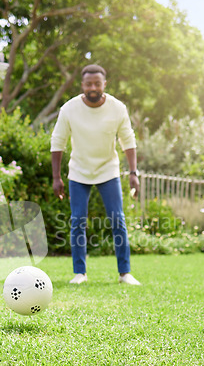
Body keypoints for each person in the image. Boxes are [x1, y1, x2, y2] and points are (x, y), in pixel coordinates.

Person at [51, 64, 141, 286]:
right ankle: (80, 273)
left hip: (108, 170)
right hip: (79, 172)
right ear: (82, 85)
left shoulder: (117, 108)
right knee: (78, 221)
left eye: (97, 84)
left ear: (104, 85)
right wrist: (56, 177)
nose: (93, 87)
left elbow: (128, 140)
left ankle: (124, 273)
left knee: (117, 219)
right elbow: (58, 142)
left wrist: (133, 172)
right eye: (88, 84)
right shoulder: (69, 109)